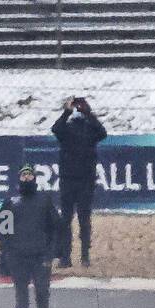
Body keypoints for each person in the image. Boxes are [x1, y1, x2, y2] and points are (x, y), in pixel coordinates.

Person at [0, 164, 59, 308]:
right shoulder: (11, 202)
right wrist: (7, 254)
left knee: (42, 294)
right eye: (23, 175)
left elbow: (55, 228)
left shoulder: (44, 200)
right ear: (19, 178)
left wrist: (50, 255)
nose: (26, 178)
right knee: (21, 297)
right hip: (18, 258)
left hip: (40, 258)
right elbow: (3, 230)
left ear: (35, 178)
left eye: (29, 175)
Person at [51, 96, 107, 268]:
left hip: (81, 180)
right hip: (73, 180)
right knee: (73, 219)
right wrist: (70, 111)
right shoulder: (67, 130)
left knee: (77, 219)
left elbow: (103, 133)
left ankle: (80, 256)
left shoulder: (89, 130)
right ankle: (71, 256)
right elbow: (56, 128)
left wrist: (87, 113)